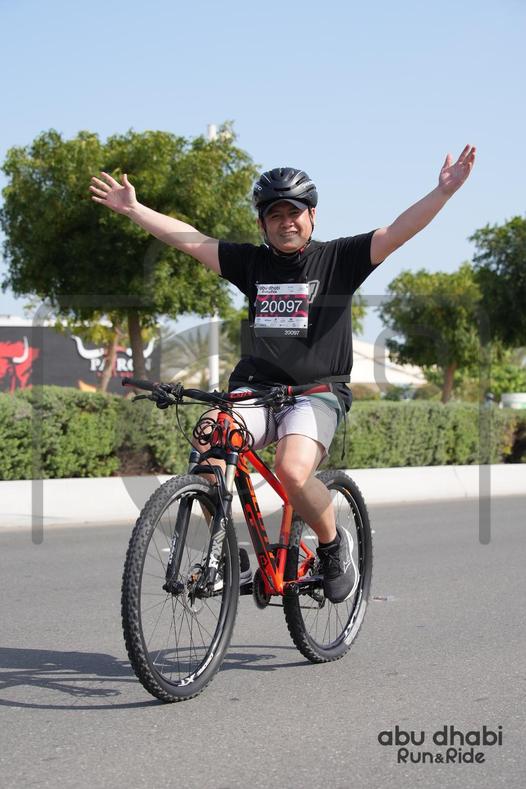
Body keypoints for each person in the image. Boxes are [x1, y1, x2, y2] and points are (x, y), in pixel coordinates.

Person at [90, 145, 476, 602]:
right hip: (256, 390)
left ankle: (332, 546)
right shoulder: (252, 263)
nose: (286, 222)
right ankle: (225, 557)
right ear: (262, 223)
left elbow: (398, 231)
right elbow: (189, 239)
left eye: (294, 212)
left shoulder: (339, 259)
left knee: (291, 471)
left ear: (312, 216)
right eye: (275, 214)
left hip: (316, 393)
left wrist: (442, 192)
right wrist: (134, 209)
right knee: (210, 442)